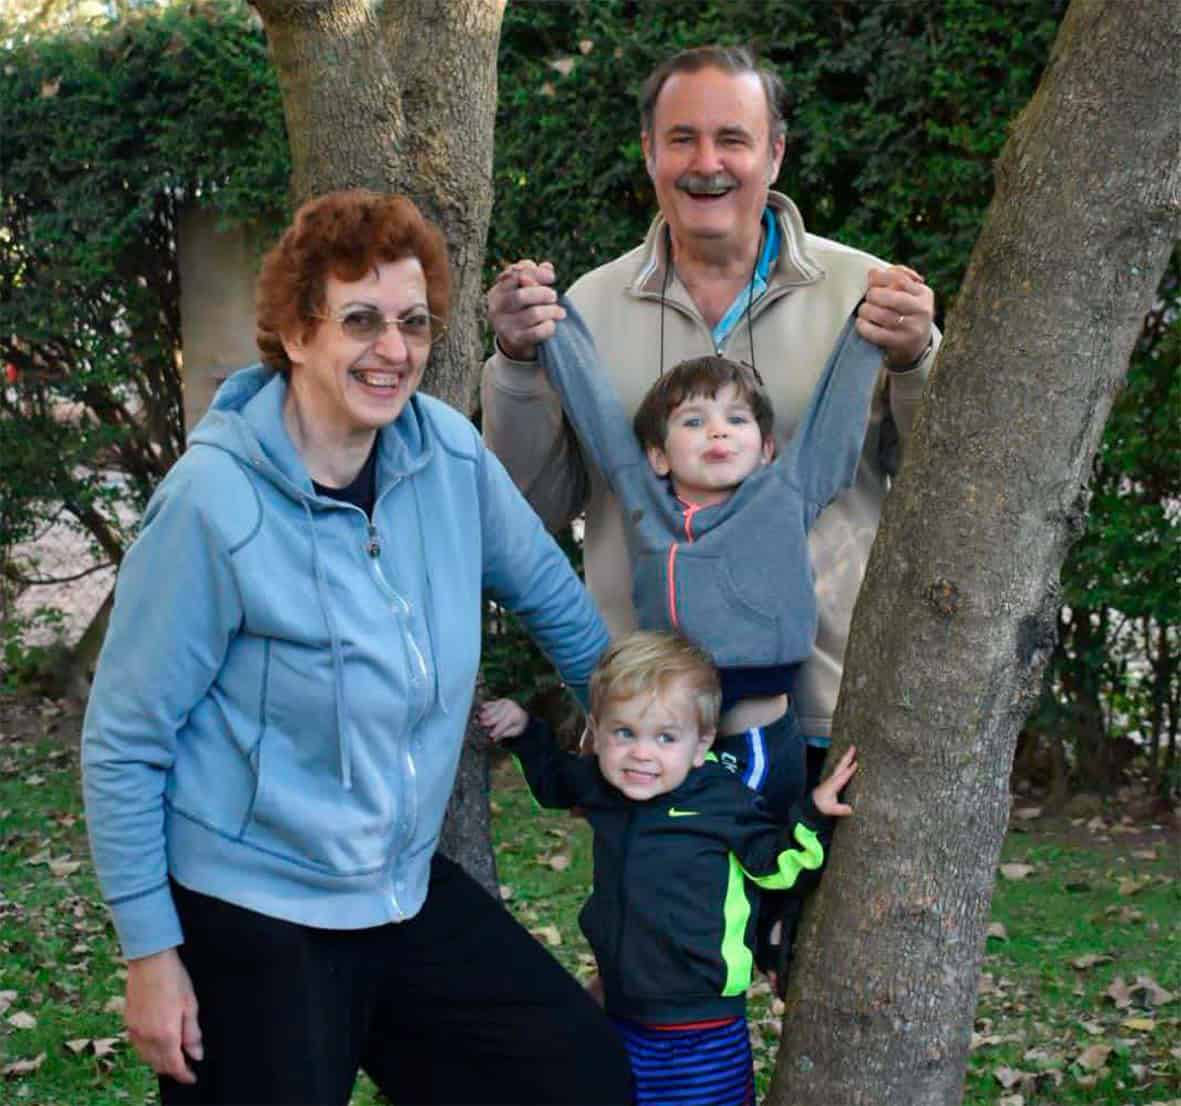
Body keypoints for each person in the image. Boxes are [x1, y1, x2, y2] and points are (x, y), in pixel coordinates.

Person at [82, 189, 633, 1106]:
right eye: (361, 320)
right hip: (251, 907)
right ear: (298, 333)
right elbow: (124, 742)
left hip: (397, 889)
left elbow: (556, 603)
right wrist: (150, 953)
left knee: (570, 1075)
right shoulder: (212, 504)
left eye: (413, 322)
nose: (394, 349)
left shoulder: (446, 454)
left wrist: (648, 735)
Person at [482, 43, 938, 789]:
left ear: (775, 153)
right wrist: (517, 364)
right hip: (647, 729)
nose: (706, 163)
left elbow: (946, 484)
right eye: (682, 139)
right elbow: (531, 504)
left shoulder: (868, 294)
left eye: (732, 138)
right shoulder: (586, 310)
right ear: (648, 152)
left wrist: (917, 360)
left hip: (831, 713)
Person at [480, 631, 857, 1106]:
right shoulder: (602, 785)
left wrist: (813, 816)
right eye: (624, 733)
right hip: (621, 1011)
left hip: (702, 1027)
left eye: (666, 737)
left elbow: (775, 866)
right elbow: (555, 782)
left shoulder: (722, 800)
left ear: (701, 745)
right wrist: (525, 732)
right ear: (596, 731)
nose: (642, 753)